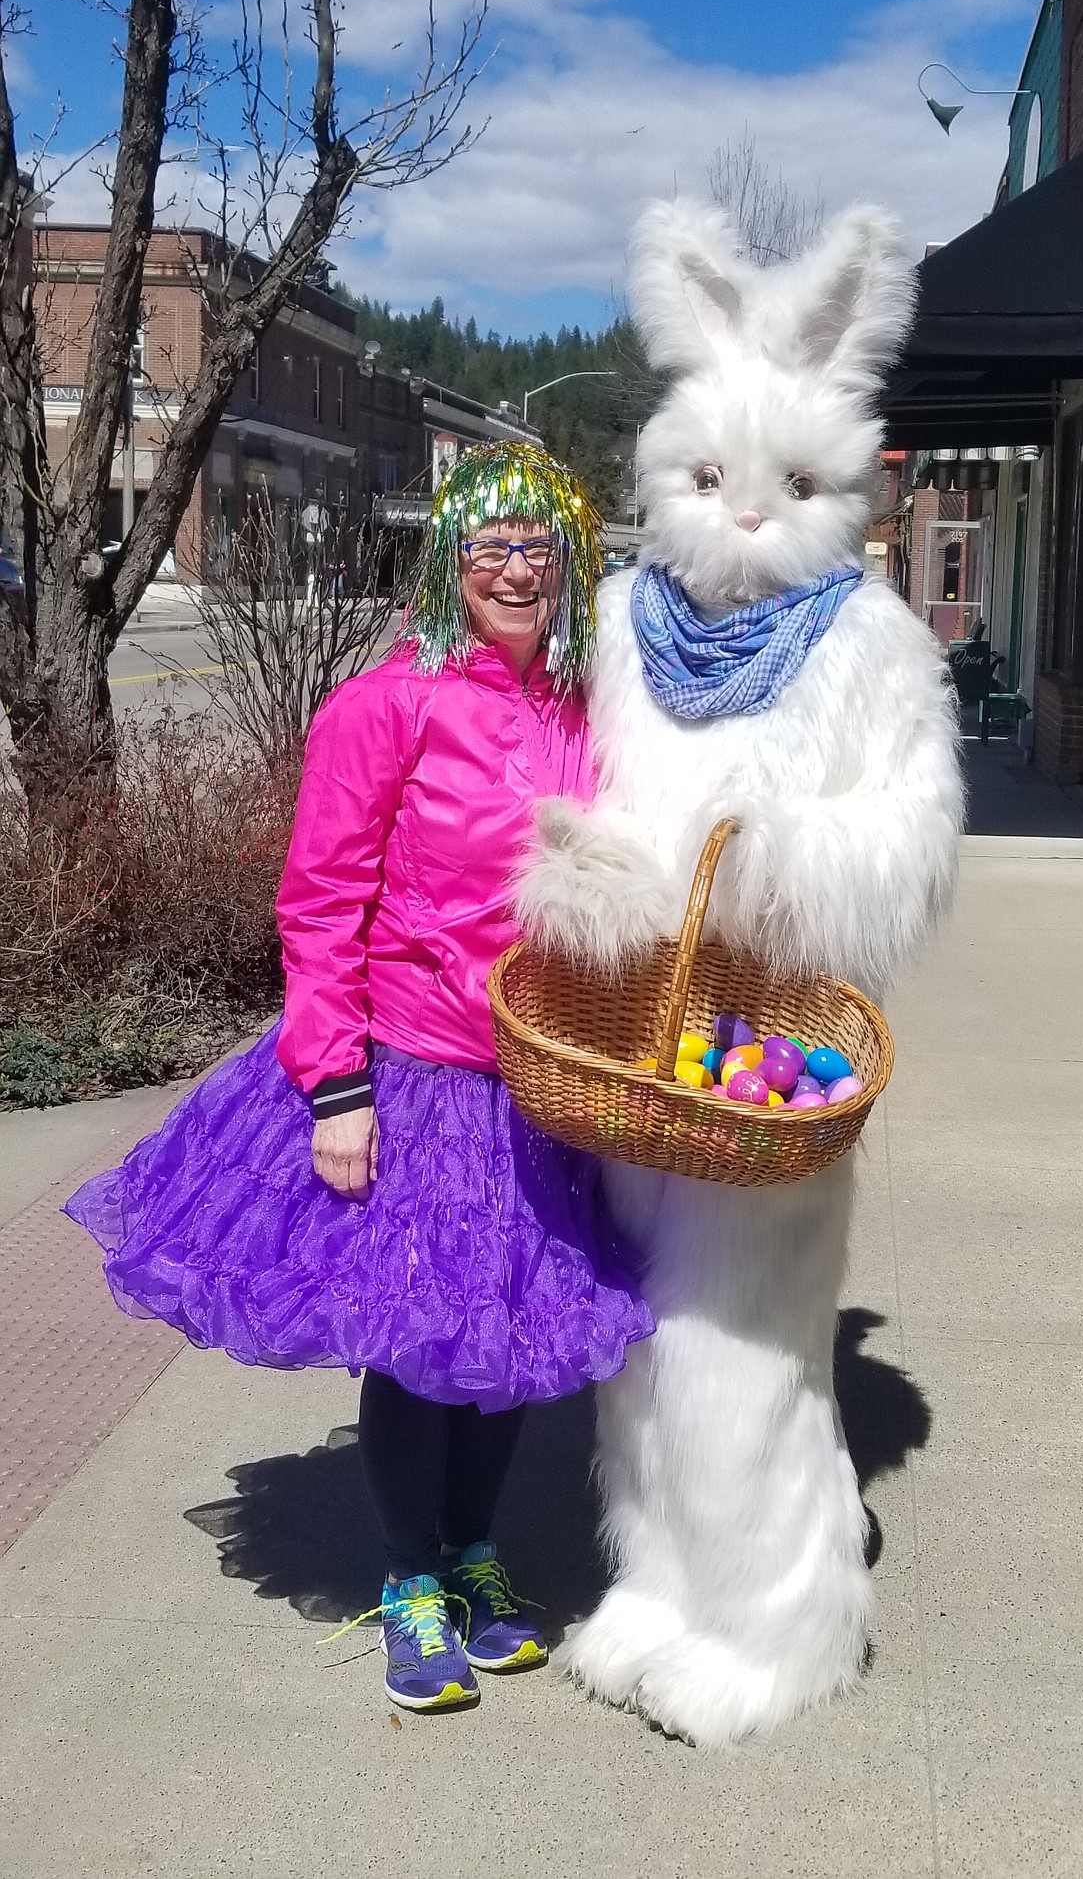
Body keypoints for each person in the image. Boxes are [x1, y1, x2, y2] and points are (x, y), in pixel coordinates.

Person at [66, 442, 653, 1717]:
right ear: (449, 559)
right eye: (488, 545)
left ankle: (476, 1548)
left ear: (569, 567)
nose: (512, 566)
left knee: (508, 1335)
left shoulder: (586, 710)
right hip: (410, 1071)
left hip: (539, 1086)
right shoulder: (389, 703)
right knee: (418, 1335)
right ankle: (410, 1578)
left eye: (535, 547)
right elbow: (320, 898)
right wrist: (336, 1086)